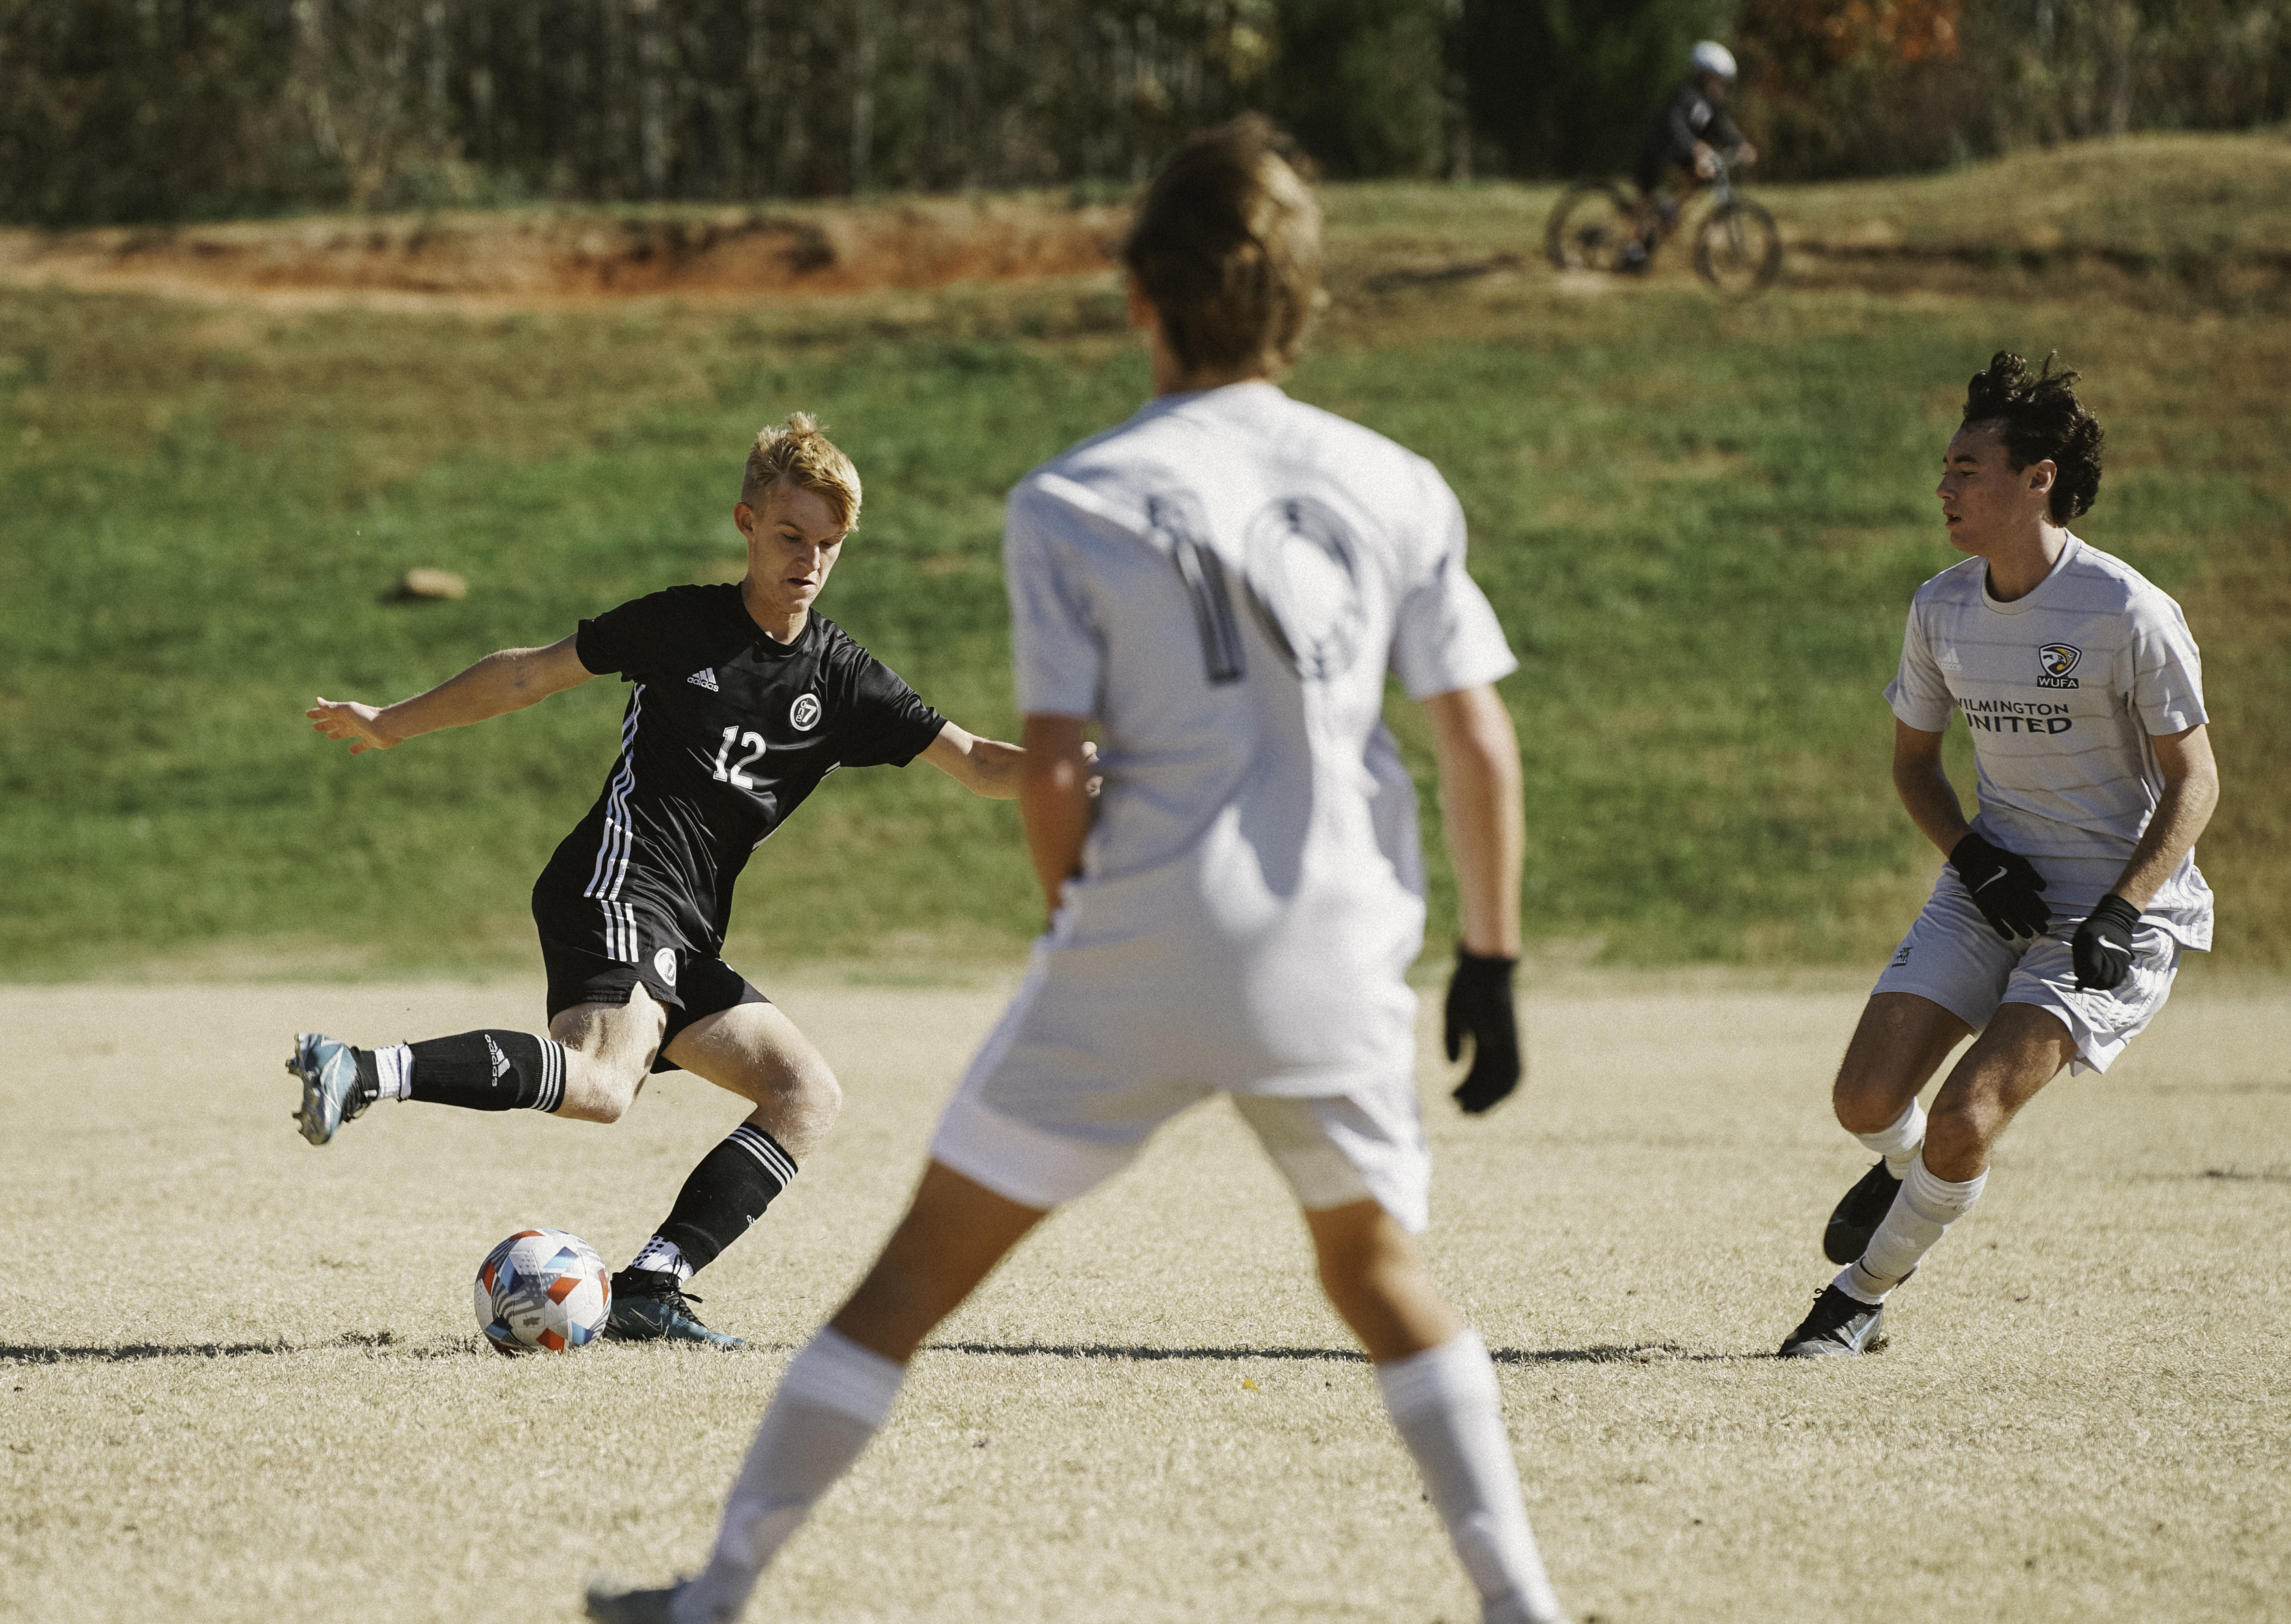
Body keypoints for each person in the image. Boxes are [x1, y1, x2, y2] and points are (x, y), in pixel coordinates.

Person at [586, 116, 1561, 1624]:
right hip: (1330, 949)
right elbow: (1477, 746)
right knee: (1380, 1281)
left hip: (1139, 942)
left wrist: (1074, 938)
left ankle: (713, 1593)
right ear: (1302, 304)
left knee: (908, 1285)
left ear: (1136, 298)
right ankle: (1521, 1606)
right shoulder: (1394, 482)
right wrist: (1488, 968)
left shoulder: (1073, 498)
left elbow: (1049, 771)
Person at [290, 414, 1056, 1351]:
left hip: (684, 930)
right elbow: (527, 675)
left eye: (828, 544)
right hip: (613, 886)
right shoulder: (682, 624)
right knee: (607, 1085)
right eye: (790, 536)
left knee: (803, 1093)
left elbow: (977, 761)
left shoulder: (842, 675)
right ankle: (362, 1070)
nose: (809, 560)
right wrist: (391, 723)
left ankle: (655, 1282)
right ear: (746, 522)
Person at [1780, 353, 2218, 1358]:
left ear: (2040, 477)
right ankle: (1899, 1172)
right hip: (1995, 883)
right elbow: (1915, 765)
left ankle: (1858, 1295)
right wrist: (1975, 857)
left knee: (1965, 1117)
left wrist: (2122, 907)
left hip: (2110, 911)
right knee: (1864, 1101)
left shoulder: (2127, 610)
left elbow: (2197, 780)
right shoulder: (1942, 605)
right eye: (1946, 465)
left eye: (1968, 466)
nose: (1945, 485)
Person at [1619, 40, 1756, 272]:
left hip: (1677, 154)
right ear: (1705, 76)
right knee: (1648, 199)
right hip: (1657, 152)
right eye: (1718, 79)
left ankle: (1669, 210)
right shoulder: (1685, 96)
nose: (1721, 85)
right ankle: (1633, 249)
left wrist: (1741, 144)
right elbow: (1676, 124)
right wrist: (1696, 148)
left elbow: (1722, 126)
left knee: (1706, 173)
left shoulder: (1711, 104)